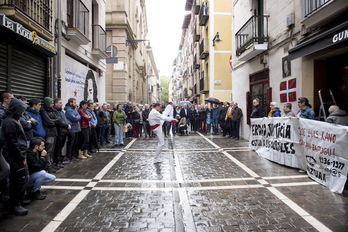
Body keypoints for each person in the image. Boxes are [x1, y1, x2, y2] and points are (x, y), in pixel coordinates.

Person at [1, 98, 29, 215]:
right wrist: (20, 157)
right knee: (18, 179)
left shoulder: (14, 120)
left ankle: (18, 200)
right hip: (14, 156)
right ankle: (15, 204)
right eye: (22, 109)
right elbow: (11, 143)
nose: (23, 112)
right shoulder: (10, 122)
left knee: (20, 178)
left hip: (18, 154)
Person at [40, 97, 59, 172]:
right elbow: (49, 122)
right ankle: (47, 165)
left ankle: (50, 164)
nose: (52, 104)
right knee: (48, 150)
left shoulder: (52, 110)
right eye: (51, 103)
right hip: (49, 132)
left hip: (53, 132)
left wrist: (54, 121)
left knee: (51, 150)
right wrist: (55, 121)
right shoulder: (43, 111)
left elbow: (58, 119)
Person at [53, 98, 71, 167]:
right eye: (60, 103)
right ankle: (57, 161)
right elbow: (59, 121)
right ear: (56, 103)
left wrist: (68, 124)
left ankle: (60, 159)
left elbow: (65, 119)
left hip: (64, 131)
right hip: (60, 131)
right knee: (58, 147)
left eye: (61, 103)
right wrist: (66, 125)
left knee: (61, 146)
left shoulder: (61, 111)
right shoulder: (55, 111)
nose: (61, 104)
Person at [64, 98, 81, 163]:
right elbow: (74, 118)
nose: (75, 104)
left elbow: (78, 116)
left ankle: (73, 155)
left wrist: (77, 116)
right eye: (74, 102)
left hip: (76, 128)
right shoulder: (69, 110)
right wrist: (77, 117)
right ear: (70, 103)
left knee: (75, 143)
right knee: (71, 143)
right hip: (72, 129)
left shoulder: (74, 109)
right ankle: (69, 156)